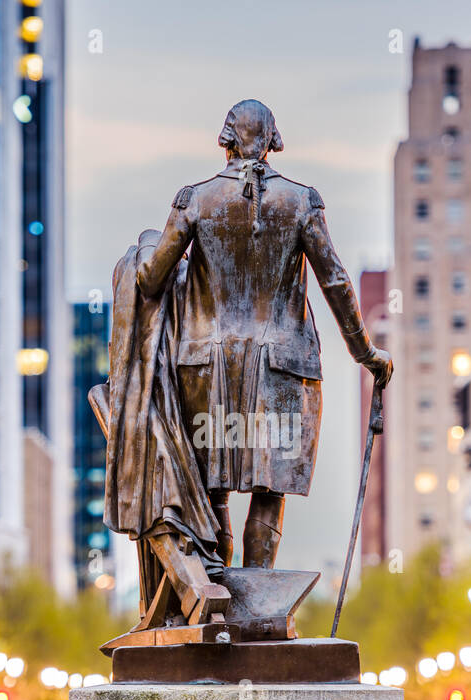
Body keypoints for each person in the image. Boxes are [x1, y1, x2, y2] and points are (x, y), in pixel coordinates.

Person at [136, 99, 392, 569]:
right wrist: (366, 353)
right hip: (282, 368)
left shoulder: (194, 199)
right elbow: (335, 281)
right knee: (269, 488)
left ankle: (217, 594)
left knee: (209, 487)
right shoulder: (301, 201)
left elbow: (151, 280)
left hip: (205, 367)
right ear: (273, 140)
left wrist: (150, 248)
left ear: (226, 139)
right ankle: (257, 604)